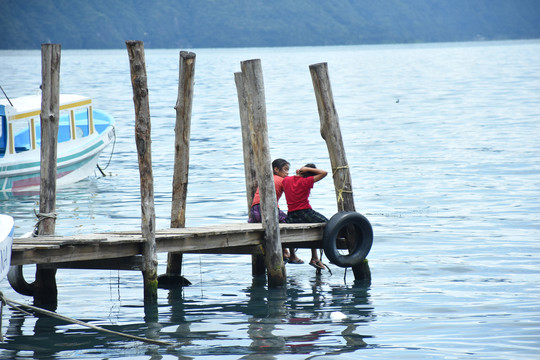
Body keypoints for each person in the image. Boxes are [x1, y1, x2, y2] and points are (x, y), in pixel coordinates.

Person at [248, 158, 303, 264]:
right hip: (267, 211)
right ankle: (292, 255)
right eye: (285, 170)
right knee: (289, 223)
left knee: (280, 224)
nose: (287, 173)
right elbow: (294, 190)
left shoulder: (267, 179)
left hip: (255, 212)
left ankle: (284, 251)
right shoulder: (282, 180)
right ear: (276, 169)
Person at [283, 163, 329, 270]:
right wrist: (307, 169)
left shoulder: (286, 180)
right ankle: (315, 257)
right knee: (330, 224)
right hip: (305, 212)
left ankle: (314, 257)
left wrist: (300, 170)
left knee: (312, 228)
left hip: (291, 214)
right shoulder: (306, 181)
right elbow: (324, 173)